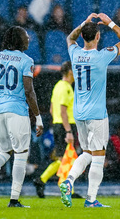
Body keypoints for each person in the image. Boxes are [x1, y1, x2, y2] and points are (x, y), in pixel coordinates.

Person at [59, 13, 120, 208]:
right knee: (98, 156)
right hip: (97, 113)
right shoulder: (102, 56)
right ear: (98, 37)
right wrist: (110, 23)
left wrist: (84, 22)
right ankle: (91, 199)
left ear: (83, 36)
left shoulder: (74, 54)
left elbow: (69, 38)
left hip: (79, 113)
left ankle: (69, 180)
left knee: (88, 153)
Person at [0, 26, 44, 208]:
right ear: (18, 40)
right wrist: (38, 117)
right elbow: (29, 91)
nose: (29, 38)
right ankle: (14, 200)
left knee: (4, 152)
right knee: (21, 155)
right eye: (26, 36)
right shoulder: (26, 60)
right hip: (17, 111)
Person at [33, 60, 78, 198]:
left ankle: (42, 180)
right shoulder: (66, 88)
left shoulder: (58, 86)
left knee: (63, 158)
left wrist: (58, 124)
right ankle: (60, 185)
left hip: (59, 124)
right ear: (70, 72)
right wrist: (68, 131)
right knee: (68, 159)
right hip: (66, 126)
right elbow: (63, 111)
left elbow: (53, 109)